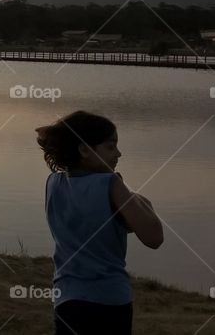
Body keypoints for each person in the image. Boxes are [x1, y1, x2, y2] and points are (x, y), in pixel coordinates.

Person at [37, 111, 164, 335]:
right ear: (84, 150)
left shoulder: (53, 183)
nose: (119, 153)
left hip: (66, 298)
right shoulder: (110, 184)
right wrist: (125, 190)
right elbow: (154, 237)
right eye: (110, 146)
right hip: (109, 301)